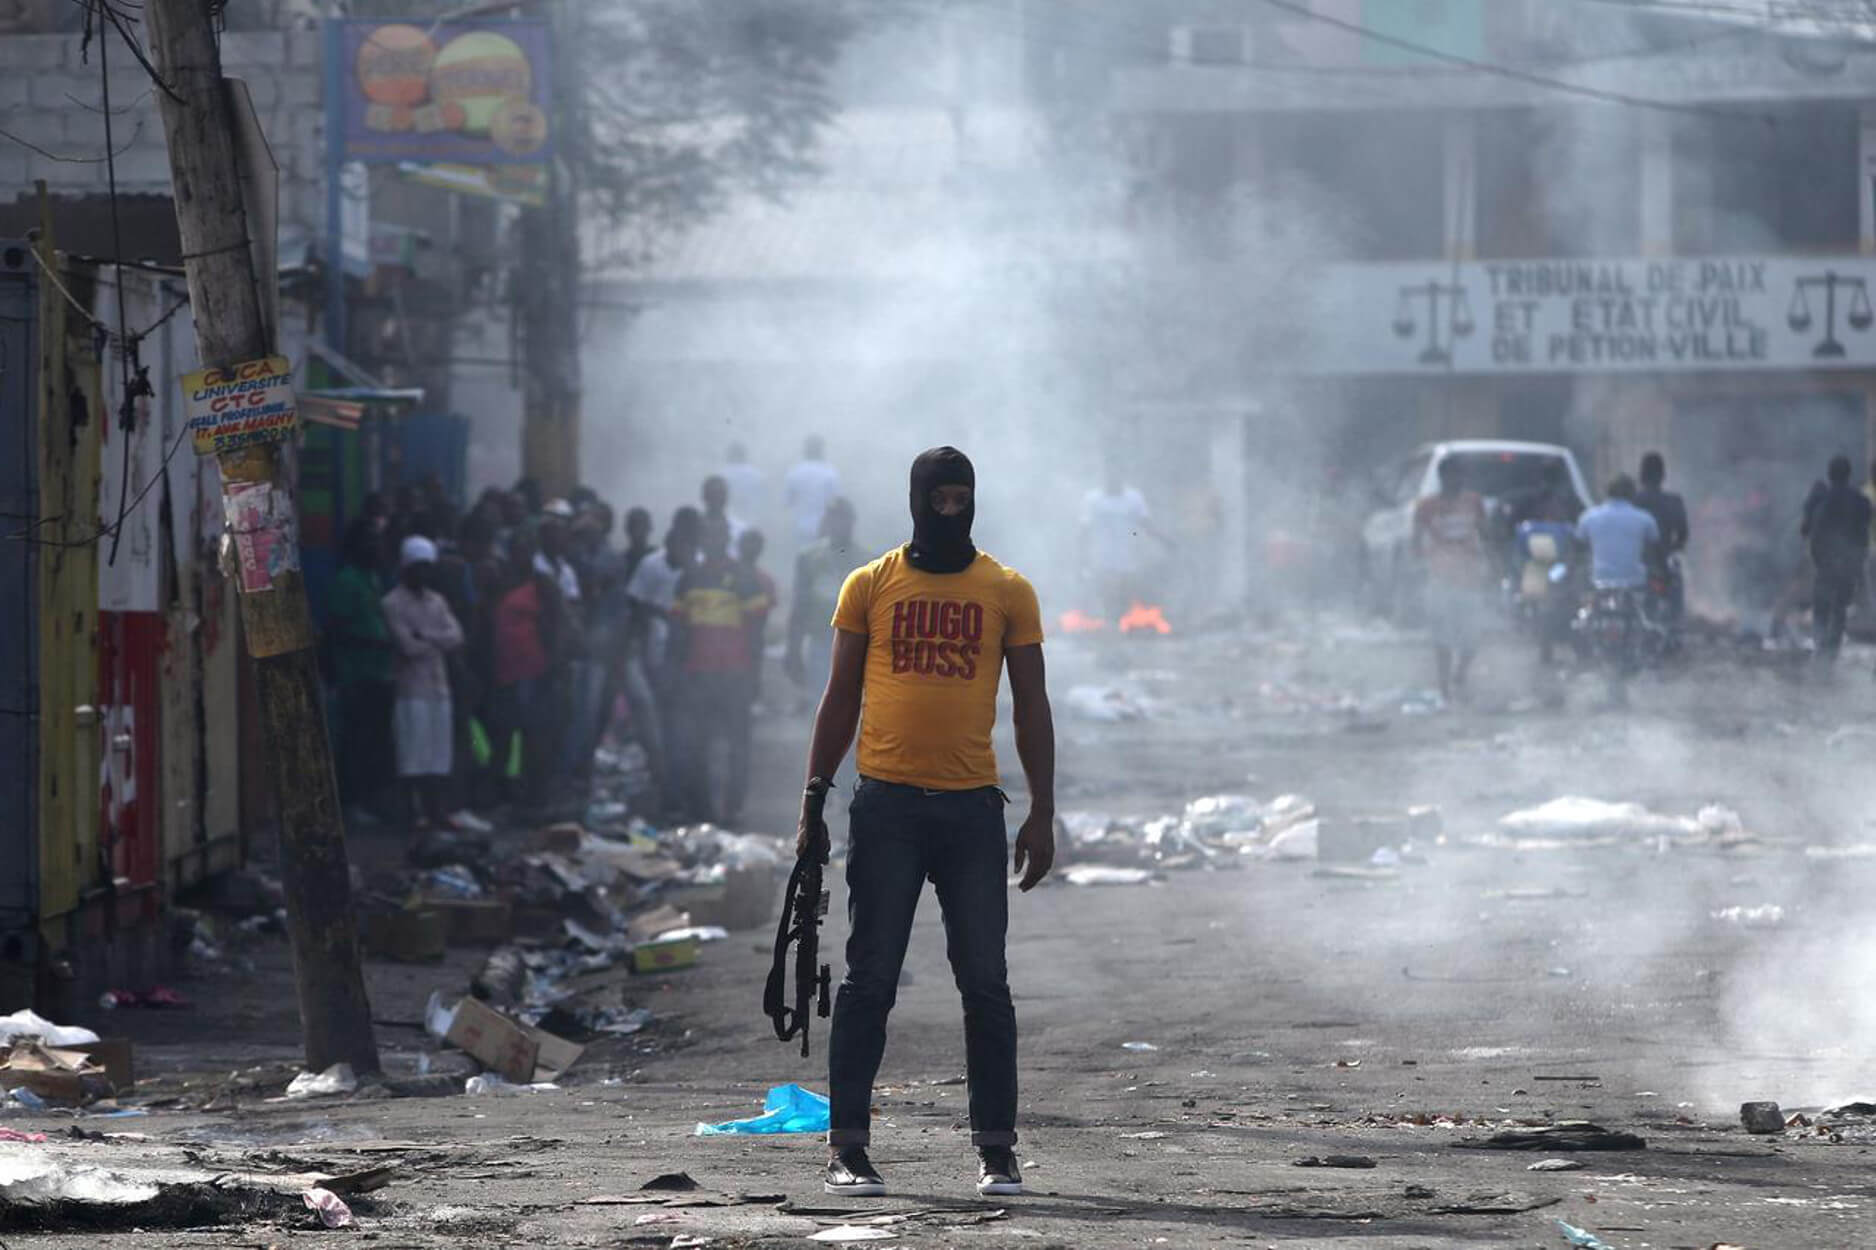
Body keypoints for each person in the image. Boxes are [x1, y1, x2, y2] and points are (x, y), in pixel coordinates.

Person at [799, 446, 1055, 1199]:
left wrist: (1042, 809)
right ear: (915, 502)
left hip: (973, 810)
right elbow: (839, 696)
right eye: (938, 501)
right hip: (886, 809)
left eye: (961, 500)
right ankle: (847, 1148)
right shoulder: (869, 585)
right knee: (870, 979)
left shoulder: (1007, 590)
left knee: (985, 983)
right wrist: (814, 796)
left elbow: (1031, 705)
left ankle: (997, 1152)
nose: (951, 513)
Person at [669, 517, 771, 825]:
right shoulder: (689, 578)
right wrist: (674, 672)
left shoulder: (744, 577)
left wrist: (754, 675)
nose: (712, 540)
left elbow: (756, 632)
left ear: (726, 539)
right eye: (708, 535)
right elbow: (679, 631)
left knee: (737, 744)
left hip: (734, 673)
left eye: (718, 535)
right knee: (698, 743)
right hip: (697, 674)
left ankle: (732, 808)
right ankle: (703, 809)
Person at [382, 535, 466, 831]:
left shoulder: (437, 601)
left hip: (438, 687)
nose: (423, 574)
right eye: (418, 567)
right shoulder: (392, 602)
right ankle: (412, 813)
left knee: (438, 754)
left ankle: (436, 812)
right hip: (411, 689)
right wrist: (436, 641)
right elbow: (407, 646)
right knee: (412, 754)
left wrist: (425, 636)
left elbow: (456, 636)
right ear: (406, 568)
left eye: (427, 567)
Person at [625, 517, 699, 817]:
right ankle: (667, 786)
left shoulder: (695, 569)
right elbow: (635, 605)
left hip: (685, 655)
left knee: (681, 726)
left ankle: (677, 788)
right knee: (663, 723)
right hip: (657, 651)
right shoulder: (651, 565)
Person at [328, 518, 395, 826]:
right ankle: (351, 803)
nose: (379, 548)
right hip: (357, 673)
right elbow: (338, 629)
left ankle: (369, 802)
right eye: (372, 543)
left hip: (378, 674)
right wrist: (374, 642)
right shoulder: (348, 580)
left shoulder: (372, 578)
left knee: (374, 742)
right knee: (354, 741)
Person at [1412, 459, 1490, 703]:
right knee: (1442, 638)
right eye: (1451, 476)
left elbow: (1486, 535)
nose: (1456, 480)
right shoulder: (1426, 506)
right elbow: (1414, 540)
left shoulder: (1474, 503)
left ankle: (1461, 672)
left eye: (1460, 475)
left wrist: (1491, 563)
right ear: (1443, 477)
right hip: (1440, 579)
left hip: (1471, 579)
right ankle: (1444, 688)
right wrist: (1420, 564)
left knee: (1473, 639)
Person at [785, 497, 859, 707]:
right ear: (827, 521)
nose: (839, 524)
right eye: (833, 518)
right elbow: (799, 604)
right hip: (820, 640)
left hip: (855, 643)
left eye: (843, 518)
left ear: (852, 522)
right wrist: (793, 648)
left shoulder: (867, 560)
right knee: (820, 703)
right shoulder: (809, 557)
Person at [1800, 454, 1872, 664]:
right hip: (1849, 563)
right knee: (1840, 606)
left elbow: (1806, 529)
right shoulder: (1861, 501)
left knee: (1822, 605)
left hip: (1826, 562)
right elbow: (1863, 531)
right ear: (1849, 474)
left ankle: (1820, 647)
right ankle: (1831, 651)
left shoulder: (1821, 499)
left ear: (1830, 474)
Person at [1079, 466, 1164, 622]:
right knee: (1108, 591)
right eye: (1109, 477)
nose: (1113, 480)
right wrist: (1081, 553)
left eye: (1116, 476)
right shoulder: (1093, 499)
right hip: (1102, 555)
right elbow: (1085, 528)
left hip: (1129, 555)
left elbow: (1146, 523)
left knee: (1127, 590)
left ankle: (1125, 623)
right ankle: (1110, 622)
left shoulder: (1134, 498)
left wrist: (1163, 540)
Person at [1577, 475, 1660, 590]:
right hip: (1634, 579)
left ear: (1607, 492)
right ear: (1632, 493)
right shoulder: (1645, 518)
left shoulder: (1589, 517)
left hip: (1599, 578)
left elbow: (1580, 545)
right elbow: (1653, 546)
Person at [736, 528, 778, 702]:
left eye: (755, 545)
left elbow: (763, 616)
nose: (750, 549)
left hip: (751, 642)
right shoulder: (726, 573)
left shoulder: (765, 580)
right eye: (747, 544)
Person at [785, 435, 842, 544]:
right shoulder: (830, 472)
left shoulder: (794, 472)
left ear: (805, 450)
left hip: (799, 526)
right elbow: (836, 502)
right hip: (824, 527)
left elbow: (788, 502)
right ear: (821, 450)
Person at [721, 442, 766, 525]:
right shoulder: (757, 475)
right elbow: (763, 500)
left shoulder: (722, 475)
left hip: (727, 522)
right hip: (752, 519)